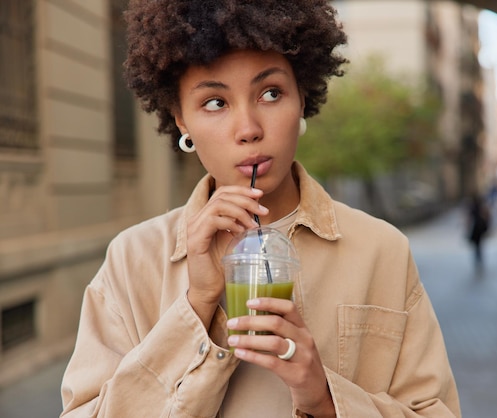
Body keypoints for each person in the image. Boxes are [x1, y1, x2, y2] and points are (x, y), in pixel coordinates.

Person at [60, 1, 461, 417]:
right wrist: (197, 306)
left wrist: (325, 398)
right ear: (181, 119)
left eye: (270, 93)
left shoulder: (381, 251)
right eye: (215, 102)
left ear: (301, 98)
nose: (249, 129)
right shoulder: (133, 259)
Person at [466, 192, 490, 267]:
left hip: (476, 228)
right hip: (479, 228)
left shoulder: (473, 207)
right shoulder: (480, 206)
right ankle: (479, 257)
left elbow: (469, 218)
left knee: (477, 244)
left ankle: (478, 257)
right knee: (479, 244)